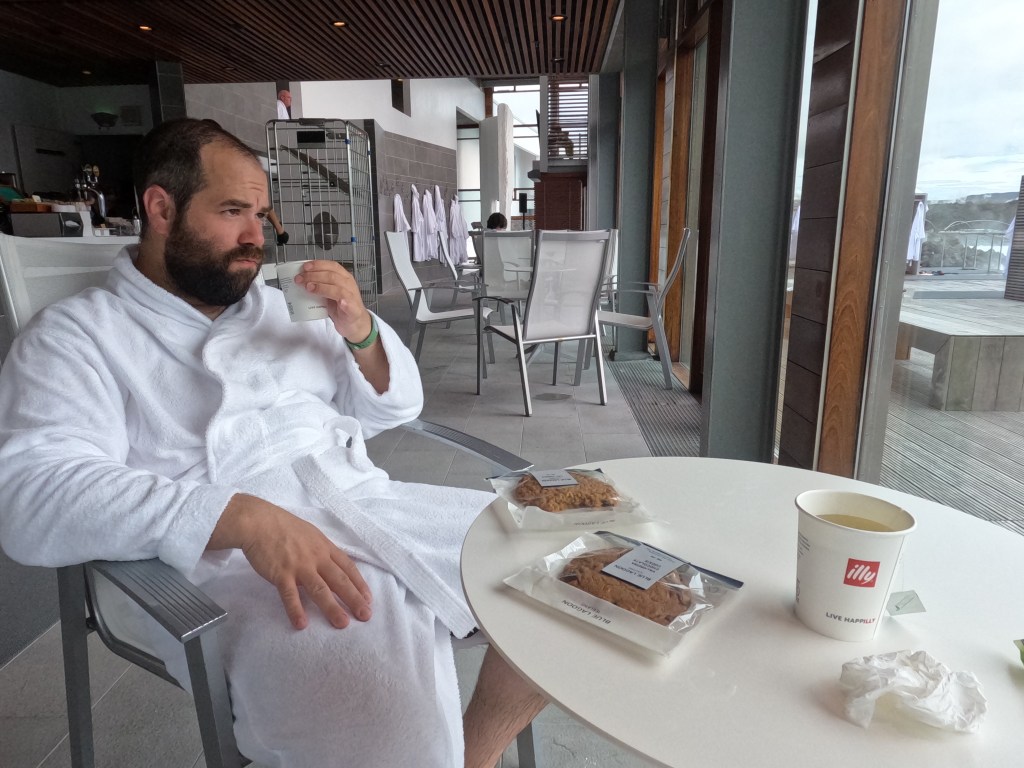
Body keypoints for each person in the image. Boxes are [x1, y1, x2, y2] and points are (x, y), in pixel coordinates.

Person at [0, 118, 545, 768]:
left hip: (368, 506)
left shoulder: (285, 305)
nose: (257, 238)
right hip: (224, 567)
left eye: (260, 215)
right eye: (233, 211)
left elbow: (393, 408)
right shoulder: (79, 336)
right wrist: (240, 517)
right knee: (384, 714)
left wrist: (363, 332)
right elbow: (30, 494)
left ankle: (477, 758)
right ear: (161, 209)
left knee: (564, 571)